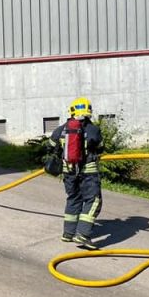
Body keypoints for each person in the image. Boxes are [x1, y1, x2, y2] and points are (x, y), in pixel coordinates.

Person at [48, 97, 103, 249]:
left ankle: (68, 233)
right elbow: (100, 147)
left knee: (73, 198)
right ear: (88, 111)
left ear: (72, 111)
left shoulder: (62, 129)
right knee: (93, 200)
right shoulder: (92, 129)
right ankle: (83, 235)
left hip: (68, 172)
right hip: (88, 172)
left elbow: (51, 145)